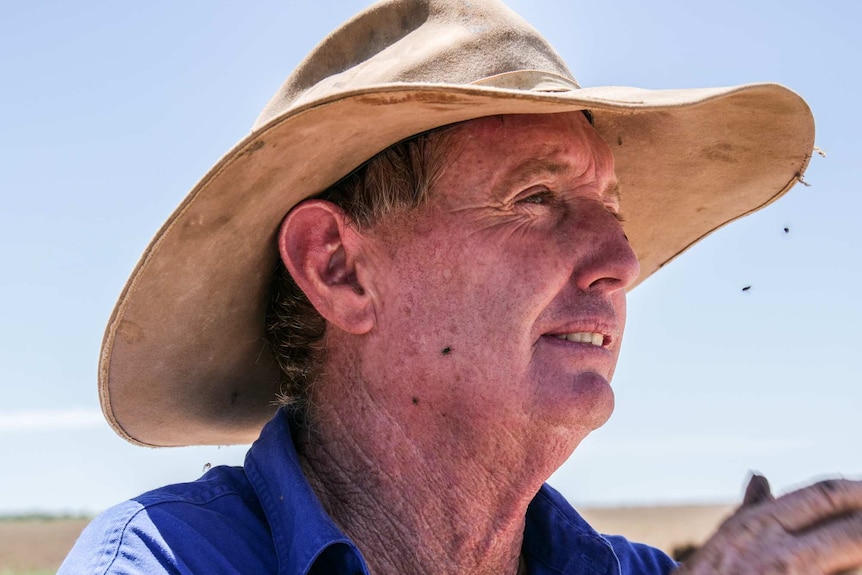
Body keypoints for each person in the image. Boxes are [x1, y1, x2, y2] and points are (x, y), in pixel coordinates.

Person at [61, 0, 862, 573]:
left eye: (611, 209)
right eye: (536, 199)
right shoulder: (167, 561)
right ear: (340, 269)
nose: (621, 259)